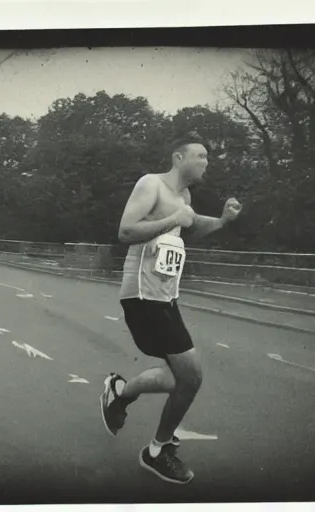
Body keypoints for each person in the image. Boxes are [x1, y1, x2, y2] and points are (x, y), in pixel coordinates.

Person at [100, 135, 242, 484]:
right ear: (179, 158)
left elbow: (187, 229)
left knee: (176, 377)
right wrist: (174, 218)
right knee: (191, 376)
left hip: (165, 295)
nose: (207, 161)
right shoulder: (152, 185)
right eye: (201, 155)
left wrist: (222, 220)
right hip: (142, 296)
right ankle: (157, 451)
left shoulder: (184, 198)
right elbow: (126, 231)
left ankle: (119, 393)